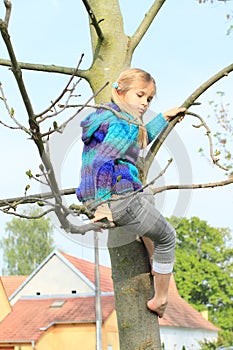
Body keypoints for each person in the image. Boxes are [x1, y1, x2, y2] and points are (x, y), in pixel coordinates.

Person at [76, 67, 185, 318]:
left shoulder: (107, 117)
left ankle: (155, 263)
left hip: (109, 194)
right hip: (114, 197)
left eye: (149, 99)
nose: (145, 103)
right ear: (119, 91)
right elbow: (102, 161)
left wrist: (164, 117)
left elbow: (137, 141)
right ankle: (161, 299)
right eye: (140, 96)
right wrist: (103, 205)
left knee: (147, 197)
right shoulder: (123, 123)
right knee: (168, 235)